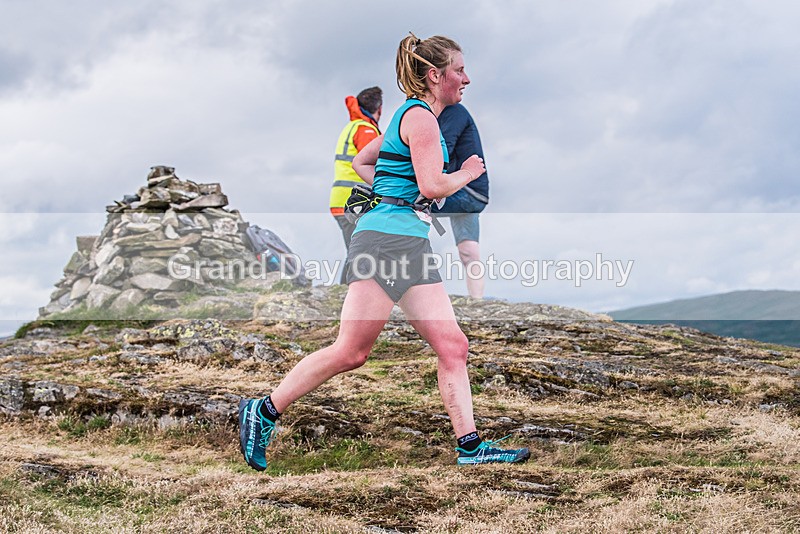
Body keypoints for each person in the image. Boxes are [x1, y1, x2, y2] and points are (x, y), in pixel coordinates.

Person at [239, 33, 530, 471]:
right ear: (435, 76)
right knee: (351, 352)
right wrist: (466, 173)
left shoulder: (403, 116)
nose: (466, 79)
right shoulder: (423, 120)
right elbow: (433, 185)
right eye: (459, 71)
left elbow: (365, 162)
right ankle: (262, 412)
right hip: (385, 242)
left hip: (408, 241)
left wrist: (396, 193)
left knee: (453, 345)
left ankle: (470, 449)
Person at [431, 104, 489, 299]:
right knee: (469, 251)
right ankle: (477, 302)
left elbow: (442, 151)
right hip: (474, 192)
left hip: (465, 190)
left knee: (407, 206)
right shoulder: (455, 113)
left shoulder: (452, 112)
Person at [329, 87, 383, 250]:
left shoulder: (352, 126)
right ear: (379, 109)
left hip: (344, 199)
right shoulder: (365, 130)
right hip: (355, 201)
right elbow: (379, 165)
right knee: (362, 256)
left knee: (358, 254)